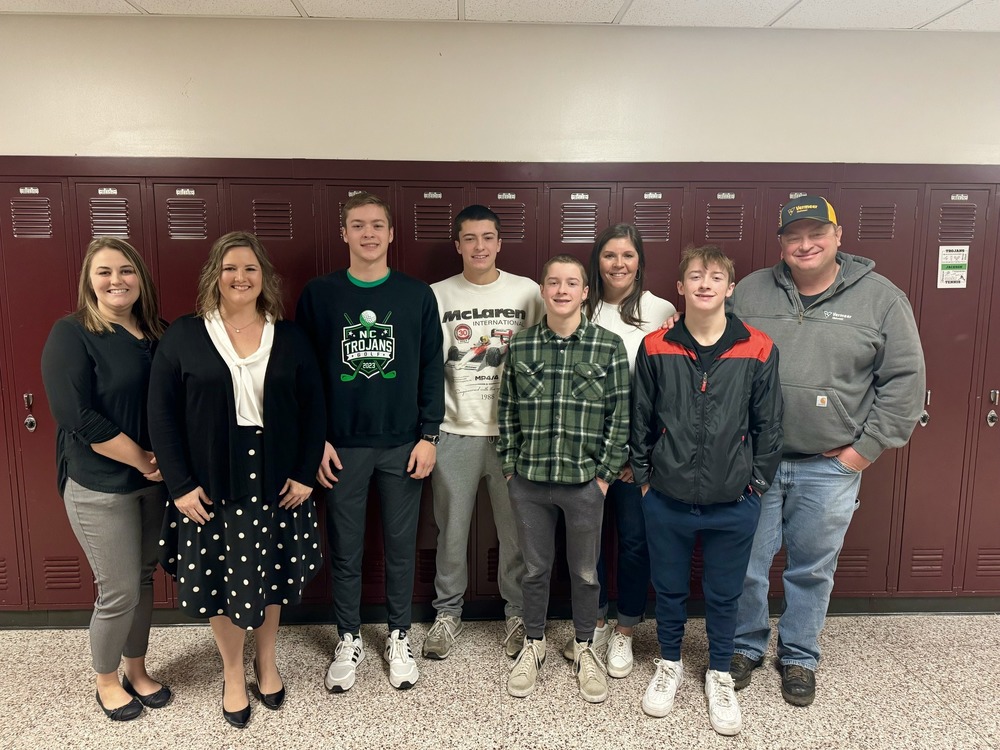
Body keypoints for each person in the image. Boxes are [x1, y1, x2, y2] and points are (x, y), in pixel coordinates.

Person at [729, 195, 925, 707]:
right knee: (748, 563)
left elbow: (905, 383)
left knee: (812, 567)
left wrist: (861, 453)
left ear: (838, 236)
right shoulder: (749, 291)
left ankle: (798, 655)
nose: (805, 243)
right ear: (781, 243)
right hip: (758, 463)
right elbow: (716, 360)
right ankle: (746, 645)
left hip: (830, 466)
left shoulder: (881, 298)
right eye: (793, 235)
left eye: (816, 233)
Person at [148, 231, 325, 728]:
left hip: (278, 481)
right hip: (210, 483)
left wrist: (306, 472)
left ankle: (266, 662)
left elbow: (315, 411)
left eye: (250, 268)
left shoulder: (289, 336)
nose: (240, 277)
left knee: (268, 576)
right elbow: (161, 415)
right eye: (230, 269)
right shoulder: (184, 335)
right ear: (214, 277)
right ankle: (231, 672)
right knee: (222, 582)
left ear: (264, 277)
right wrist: (180, 484)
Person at [630, 245, 783, 735]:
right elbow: (641, 419)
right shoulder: (656, 346)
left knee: (724, 594)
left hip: (734, 500)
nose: (704, 284)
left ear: (729, 287)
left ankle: (719, 671)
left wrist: (756, 485)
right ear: (680, 286)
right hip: (667, 496)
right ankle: (670, 662)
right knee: (670, 589)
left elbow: (769, 426)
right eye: (694, 275)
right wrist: (646, 478)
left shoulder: (758, 348)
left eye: (715, 277)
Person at [296, 192, 444, 692]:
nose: (369, 234)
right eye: (357, 225)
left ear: (391, 233)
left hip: (404, 444)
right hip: (341, 447)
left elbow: (430, 370)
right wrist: (315, 441)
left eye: (377, 225)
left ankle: (399, 634)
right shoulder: (320, 295)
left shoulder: (416, 295)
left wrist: (429, 435)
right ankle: (349, 636)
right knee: (346, 550)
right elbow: (307, 377)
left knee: (401, 548)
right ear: (344, 233)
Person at [40, 237, 169, 721]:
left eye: (126, 270)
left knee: (142, 579)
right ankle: (107, 680)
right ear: (89, 282)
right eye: (104, 272)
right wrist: (142, 459)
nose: (116, 280)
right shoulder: (72, 334)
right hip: (99, 484)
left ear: (140, 278)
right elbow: (79, 417)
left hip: (152, 482)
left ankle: (136, 669)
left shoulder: (157, 332)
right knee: (118, 589)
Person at [498, 254, 630, 704]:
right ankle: (533, 645)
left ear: (584, 291)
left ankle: (584, 646)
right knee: (535, 569)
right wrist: (510, 468)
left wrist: (606, 476)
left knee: (586, 572)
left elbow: (619, 417)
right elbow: (507, 411)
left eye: (571, 283)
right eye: (552, 282)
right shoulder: (521, 346)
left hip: (584, 484)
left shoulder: (607, 346)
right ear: (543, 289)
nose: (561, 290)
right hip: (529, 481)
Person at [424, 205, 543, 660]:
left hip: (512, 433)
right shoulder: (435, 295)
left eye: (487, 237)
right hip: (455, 431)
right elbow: (428, 367)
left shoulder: (527, 291)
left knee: (515, 532)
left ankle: (515, 612)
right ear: (458, 244)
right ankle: (447, 614)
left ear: (499, 242)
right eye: (470, 238)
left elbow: (544, 351)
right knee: (450, 530)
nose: (479, 246)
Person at [566, 223, 676, 676]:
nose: (618, 264)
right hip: (585, 448)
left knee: (633, 542)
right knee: (586, 544)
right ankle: (591, 623)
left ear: (639, 261)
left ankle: (625, 630)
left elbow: (669, 389)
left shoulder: (661, 310)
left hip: (637, 453)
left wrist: (640, 455)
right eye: (609, 255)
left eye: (627, 255)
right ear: (598, 262)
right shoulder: (581, 307)